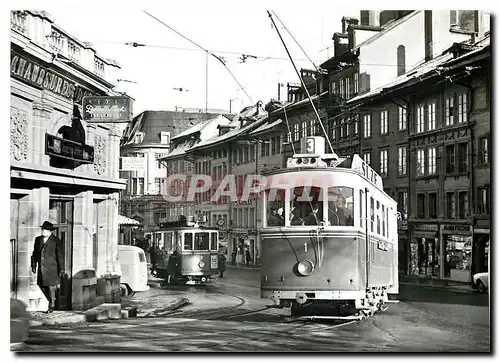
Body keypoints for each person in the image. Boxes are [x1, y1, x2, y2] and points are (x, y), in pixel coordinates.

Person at [31, 221, 64, 313]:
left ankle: (52, 305)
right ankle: (51, 299)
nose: (42, 231)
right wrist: (33, 265)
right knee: (41, 285)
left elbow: (60, 256)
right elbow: (34, 254)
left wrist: (61, 269)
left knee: (51, 287)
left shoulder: (56, 241)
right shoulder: (38, 240)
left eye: (44, 230)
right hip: (42, 268)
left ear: (50, 231)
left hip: (52, 268)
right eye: (42, 229)